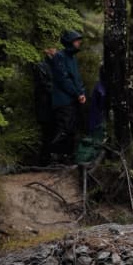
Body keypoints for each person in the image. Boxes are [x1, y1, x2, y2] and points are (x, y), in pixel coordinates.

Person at [50, 30, 86, 163]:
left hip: (73, 100)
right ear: (70, 42)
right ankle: (55, 158)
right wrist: (77, 94)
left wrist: (82, 93)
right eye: (77, 40)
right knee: (63, 130)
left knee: (71, 130)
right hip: (63, 101)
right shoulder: (60, 57)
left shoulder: (72, 58)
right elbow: (63, 79)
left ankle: (67, 158)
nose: (79, 43)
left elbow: (77, 78)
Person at [33, 48, 57, 165]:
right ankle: (44, 160)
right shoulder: (41, 66)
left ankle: (49, 159)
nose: (56, 50)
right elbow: (44, 85)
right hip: (45, 106)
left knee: (52, 132)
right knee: (46, 133)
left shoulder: (55, 65)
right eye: (53, 48)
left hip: (53, 105)